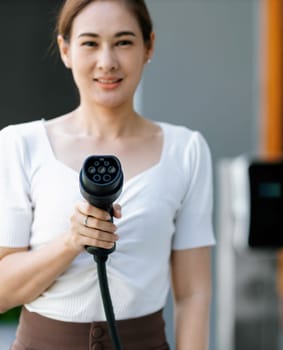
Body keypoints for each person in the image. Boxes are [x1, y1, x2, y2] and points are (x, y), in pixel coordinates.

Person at [0, 0, 215, 349]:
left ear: (149, 46)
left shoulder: (186, 150)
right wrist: (71, 242)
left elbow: (193, 294)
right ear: (65, 50)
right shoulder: (19, 144)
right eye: (90, 43)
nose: (107, 62)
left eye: (124, 42)